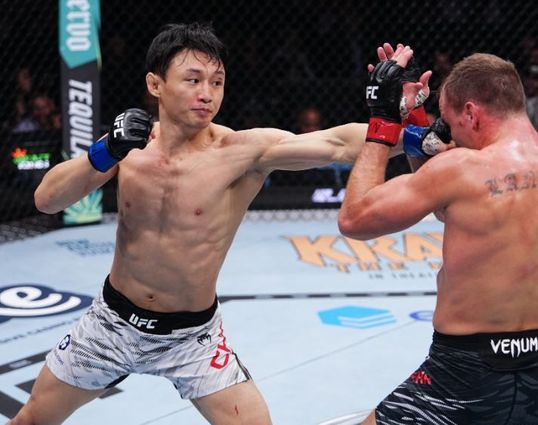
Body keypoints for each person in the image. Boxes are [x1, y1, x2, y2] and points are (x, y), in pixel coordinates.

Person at [8, 23, 410, 425]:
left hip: (191, 338)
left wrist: (409, 127)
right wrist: (105, 150)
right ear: (155, 84)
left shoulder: (241, 152)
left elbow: (338, 144)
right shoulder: (128, 148)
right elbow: (47, 200)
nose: (207, 93)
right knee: (30, 421)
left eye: (217, 82)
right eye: (193, 80)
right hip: (111, 324)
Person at [339, 45, 538, 424]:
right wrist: (414, 119)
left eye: (450, 124)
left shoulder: (463, 168)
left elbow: (355, 218)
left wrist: (383, 119)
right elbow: (448, 207)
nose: (448, 137)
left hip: (460, 377)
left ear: (471, 112)